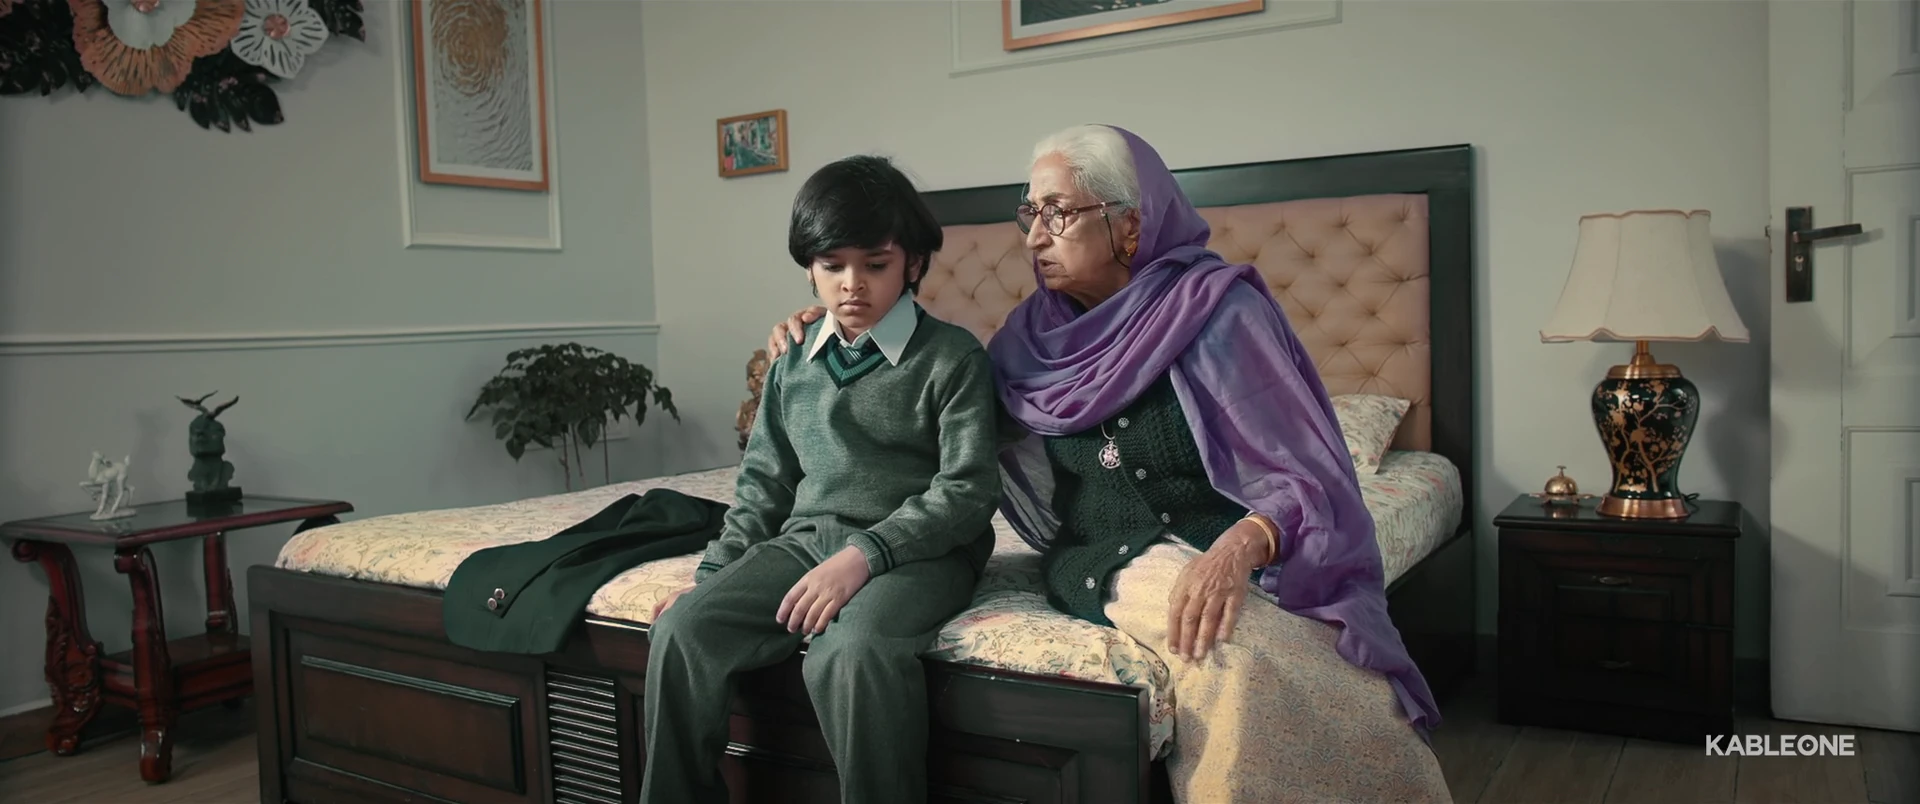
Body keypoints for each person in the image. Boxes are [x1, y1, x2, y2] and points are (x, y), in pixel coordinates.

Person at [766, 125, 1452, 803]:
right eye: (1030, 214)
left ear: (1130, 223)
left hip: (1235, 543)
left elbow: (1305, 469)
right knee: (1231, 655)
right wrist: (837, 326)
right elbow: (940, 417)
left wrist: (1241, 544)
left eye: (1057, 213)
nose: (1034, 238)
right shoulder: (1028, 342)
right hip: (1107, 557)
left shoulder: (1221, 312)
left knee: (1355, 683)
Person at [644, 154, 1003, 804]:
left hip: (920, 554)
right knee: (682, 631)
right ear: (809, 268)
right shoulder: (792, 362)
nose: (851, 285)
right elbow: (763, 484)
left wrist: (864, 555)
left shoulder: (953, 358)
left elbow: (968, 492)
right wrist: (712, 577)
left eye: (875, 264)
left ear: (913, 263)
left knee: (851, 651)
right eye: (832, 265)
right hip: (806, 541)